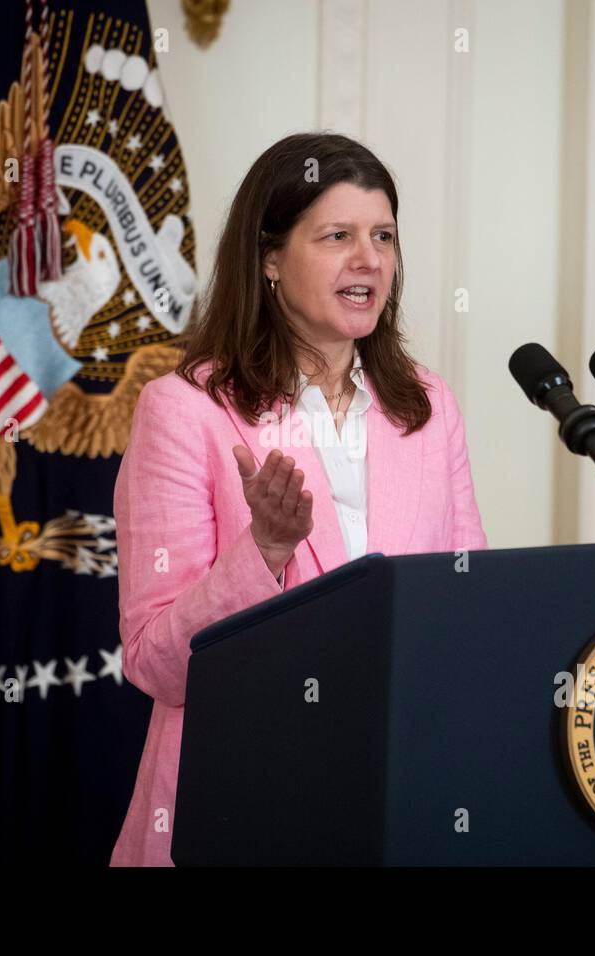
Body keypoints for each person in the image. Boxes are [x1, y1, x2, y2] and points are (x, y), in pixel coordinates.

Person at [109, 131, 487, 866]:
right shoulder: (184, 410)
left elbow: (466, 608)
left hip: (405, 793)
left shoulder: (429, 406)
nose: (369, 259)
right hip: (245, 801)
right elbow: (155, 663)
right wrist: (265, 552)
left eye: (383, 236)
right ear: (271, 259)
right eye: (338, 235)